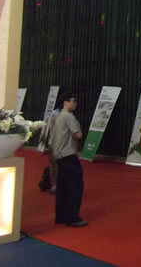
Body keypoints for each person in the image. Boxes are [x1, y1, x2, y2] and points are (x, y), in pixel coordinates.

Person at [50, 93, 87, 227]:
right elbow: (78, 134)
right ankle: (72, 217)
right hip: (68, 154)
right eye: (73, 100)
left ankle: (61, 215)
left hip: (59, 155)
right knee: (75, 186)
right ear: (66, 102)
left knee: (63, 187)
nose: (75, 103)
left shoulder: (59, 116)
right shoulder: (69, 116)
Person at [45, 102, 62, 194]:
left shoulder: (66, 114)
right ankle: (54, 186)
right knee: (54, 166)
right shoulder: (56, 114)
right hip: (55, 143)